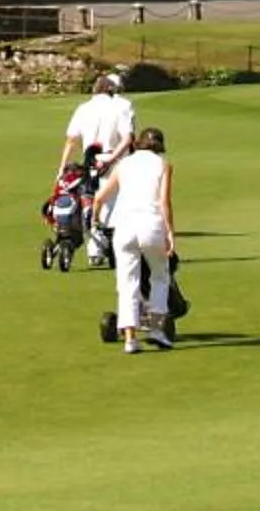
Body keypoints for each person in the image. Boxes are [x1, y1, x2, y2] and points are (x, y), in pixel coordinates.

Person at [95, 127, 178, 352]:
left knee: (127, 282)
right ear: (159, 147)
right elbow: (163, 203)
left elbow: (100, 197)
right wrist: (170, 232)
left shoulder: (123, 164)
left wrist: (95, 219)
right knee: (160, 277)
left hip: (124, 227)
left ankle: (131, 339)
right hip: (151, 226)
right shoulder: (163, 165)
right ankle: (156, 330)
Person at [58, 70, 136, 180]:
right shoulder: (120, 108)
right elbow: (127, 139)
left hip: (90, 163)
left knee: (90, 195)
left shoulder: (83, 109)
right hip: (116, 165)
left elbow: (71, 140)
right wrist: (111, 159)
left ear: (94, 90)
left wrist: (62, 167)